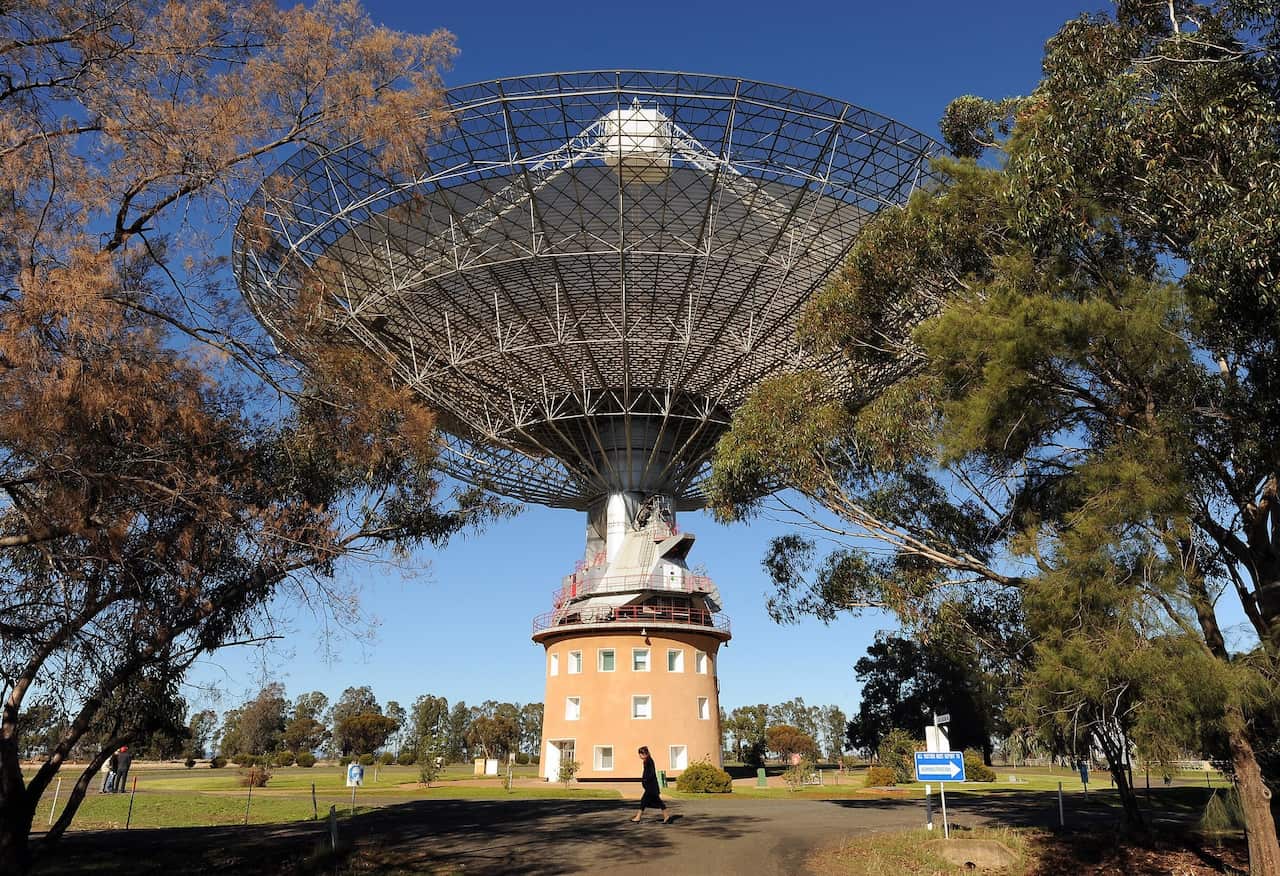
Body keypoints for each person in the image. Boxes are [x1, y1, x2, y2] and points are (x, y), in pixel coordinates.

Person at [631, 746, 670, 824]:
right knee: (650, 801)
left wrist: (646, 780)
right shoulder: (647, 761)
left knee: (646, 801)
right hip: (650, 786)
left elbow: (651, 773)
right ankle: (666, 816)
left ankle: (638, 817)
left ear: (645, 753)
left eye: (640, 754)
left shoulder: (649, 761)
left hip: (651, 786)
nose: (639, 756)